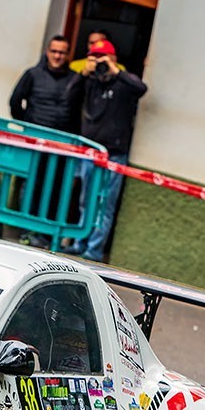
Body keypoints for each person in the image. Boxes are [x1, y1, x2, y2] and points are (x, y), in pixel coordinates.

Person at [63, 38, 147, 262]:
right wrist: (83, 73)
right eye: (95, 58)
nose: (100, 63)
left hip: (114, 155)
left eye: (104, 58)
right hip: (90, 153)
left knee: (104, 205)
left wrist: (114, 70)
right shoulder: (90, 81)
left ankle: (94, 250)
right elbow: (67, 97)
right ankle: (79, 243)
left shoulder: (123, 83)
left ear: (113, 59)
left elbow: (141, 88)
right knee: (85, 201)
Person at [9, 35, 79, 247]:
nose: (58, 56)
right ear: (47, 52)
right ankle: (28, 231)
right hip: (36, 143)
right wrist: (27, 126)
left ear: (68, 55)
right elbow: (14, 101)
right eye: (54, 51)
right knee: (32, 185)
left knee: (57, 188)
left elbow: (77, 111)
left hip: (62, 147)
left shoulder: (74, 79)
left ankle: (47, 235)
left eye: (62, 52)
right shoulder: (32, 74)